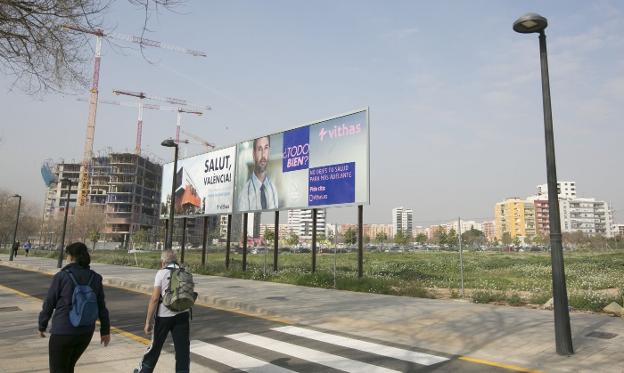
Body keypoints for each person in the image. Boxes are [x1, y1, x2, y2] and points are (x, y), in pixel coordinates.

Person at [38, 242, 111, 373]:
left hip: (63, 331)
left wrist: (42, 325)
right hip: (85, 333)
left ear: (71, 257)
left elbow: (49, 302)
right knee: (68, 367)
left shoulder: (62, 276)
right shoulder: (95, 277)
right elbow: (102, 307)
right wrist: (105, 331)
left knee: (58, 369)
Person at [135, 249, 190, 373]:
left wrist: (148, 321)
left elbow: (155, 299)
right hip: (182, 315)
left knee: (155, 347)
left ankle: (144, 371)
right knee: (182, 350)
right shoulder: (184, 271)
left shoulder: (161, 273)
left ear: (163, 262)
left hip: (164, 316)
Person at [237, 136, 279, 211]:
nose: (263, 155)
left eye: (266, 148)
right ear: (254, 154)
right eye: (259, 149)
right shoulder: (244, 195)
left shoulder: (273, 189)